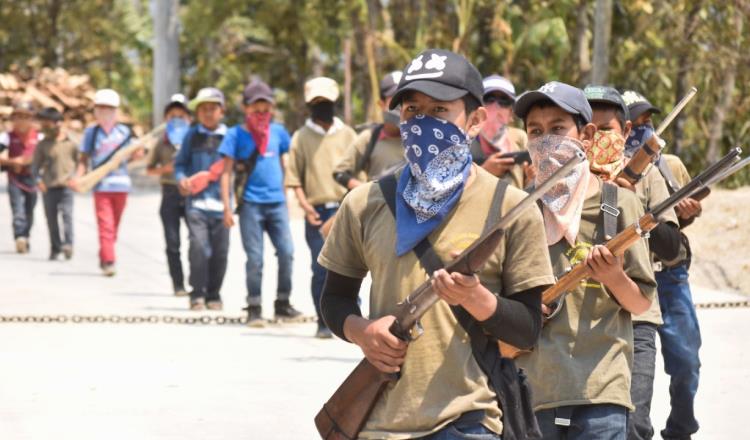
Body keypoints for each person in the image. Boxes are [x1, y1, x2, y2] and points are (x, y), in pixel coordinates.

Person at [319, 49, 555, 439]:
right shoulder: (364, 202)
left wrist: (476, 298)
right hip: (377, 423)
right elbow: (334, 299)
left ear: (475, 120)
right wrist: (363, 331)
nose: (423, 123)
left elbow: (527, 329)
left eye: (440, 111)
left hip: (467, 420)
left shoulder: (511, 207)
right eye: (413, 110)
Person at [512, 81, 657, 439]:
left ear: (587, 135)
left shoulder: (620, 204)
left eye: (558, 129)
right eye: (536, 131)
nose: (546, 140)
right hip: (535, 393)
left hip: (602, 392)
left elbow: (640, 303)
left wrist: (614, 277)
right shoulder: (517, 211)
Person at [584, 85, 682, 440]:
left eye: (606, 129)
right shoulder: (565, 179)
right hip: (581, 321)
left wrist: (630, 200)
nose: (596, 137)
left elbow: (672, 249)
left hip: (637, 317)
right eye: (587, 129)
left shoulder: (648, 175)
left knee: (635, 424)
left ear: (625, 132)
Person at [624, 89, 703, 440]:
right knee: (636, 375)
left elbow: (676, 225)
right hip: (631, 281)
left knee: (686, 362)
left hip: (669, 276)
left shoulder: (671, 166)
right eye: (636, 123)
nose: (644, 129)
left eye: (648, 122)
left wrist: (689, 214)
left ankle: (681, 428)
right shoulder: (610, 171)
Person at [218, 78, 301, 326]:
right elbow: (226, 172)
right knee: (255, 258)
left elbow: (286, 165)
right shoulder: (235, 135)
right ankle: (254, 305)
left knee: (287, 252)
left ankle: (282, 303)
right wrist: (226, 207)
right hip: (250, 206)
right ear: (246, 108)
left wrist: (289, 200)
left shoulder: (279, 132)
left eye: (266, 110)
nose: (262, 114)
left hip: (276, 204)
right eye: (256, 110)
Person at [285, 76, 356, 338]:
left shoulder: (348, 134)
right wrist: (306, 207)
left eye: (325, 101)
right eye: (316, 102)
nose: (321, 106)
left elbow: (358, 171)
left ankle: (350, 317)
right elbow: (294, 177)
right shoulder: (301, 137)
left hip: (346, 209)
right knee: (320, 267)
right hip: (317, 213)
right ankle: (323, 321)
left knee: (350, 266)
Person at [174, 87, 229, 311]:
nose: (208, 113)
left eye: (212, 108)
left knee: (220, 252)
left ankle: (214, 294)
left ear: (222, 111)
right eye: (203, 109)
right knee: (198, 247)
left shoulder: (231, 137)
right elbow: (180, 164)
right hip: (196, 205)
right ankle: (197, 293)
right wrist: (182, 180)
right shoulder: (191, 135)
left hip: (222, 206)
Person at [71, 89, 137, 276]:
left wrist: (137, 154)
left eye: (109, 108)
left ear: (115, 110)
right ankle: (109, 261)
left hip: (122, 185)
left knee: (114, 225)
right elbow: (84, 158)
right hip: (101, 185)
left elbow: (133, 156)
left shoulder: (125, 132)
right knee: (105, 224)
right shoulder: (91, 133)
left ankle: (105, 253)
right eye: (101, 108)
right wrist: (79, 177)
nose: (105, 112)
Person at [147, 94, 191, 297]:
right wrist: (166, 169)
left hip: (191, 194)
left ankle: (196, 278)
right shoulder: (161, 142)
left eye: (181, 115)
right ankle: (178, 284)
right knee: (173, 243)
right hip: (169, 193)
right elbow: (149, 169)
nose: (177, 119)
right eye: (172, 115)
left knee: (198, 240)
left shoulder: (193, 140)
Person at [332, 71, 405, 189]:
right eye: (395, 100)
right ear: (381, 104)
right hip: (378, 206)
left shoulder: (420, 139)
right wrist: (367, 192)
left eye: (405, 99)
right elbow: (340, 173)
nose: (400, 106)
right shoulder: (369, 138)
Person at [31, 107, 79, 260]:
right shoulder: (43, 144)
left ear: (58, 123)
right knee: (51, 219)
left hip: (66, 186)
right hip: (49, 187)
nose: (45, 126)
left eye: (48, 122)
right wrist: (38, 181)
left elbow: (81, 162)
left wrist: (76, 178)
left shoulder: (71, 142)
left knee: (67, 216)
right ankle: (55, 248)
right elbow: (35, 167)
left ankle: (68, 245)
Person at [470, 75, 529, 188]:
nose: (495, 106)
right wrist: (485, 172)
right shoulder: (464, 142)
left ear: (511, 113)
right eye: (489, 99)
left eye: (504, 101)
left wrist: (531, 179)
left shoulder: (520, 139)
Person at [0, 101, 39, 253]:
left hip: (33, 179)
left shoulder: (38, 137)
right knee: (17, 209)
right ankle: (19, 237)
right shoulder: (7, 137)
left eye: (25, 117)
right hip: (14, 178)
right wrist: (11, 162)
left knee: (30, 209)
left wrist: (22, 161)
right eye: (18, 117)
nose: (22, 120)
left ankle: (26, 235)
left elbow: (35, 157)